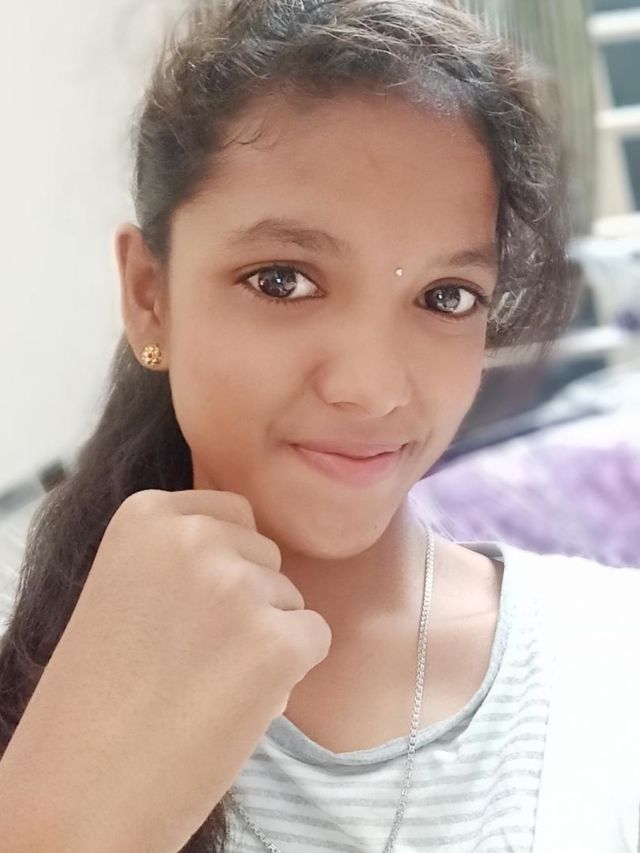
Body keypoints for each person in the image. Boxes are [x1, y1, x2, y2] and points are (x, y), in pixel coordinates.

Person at [0, 1, 638, 852]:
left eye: (446, 296)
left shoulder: (610, 665)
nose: (371, 390)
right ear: (150, 295)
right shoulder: (30, 684)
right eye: (283, 281)